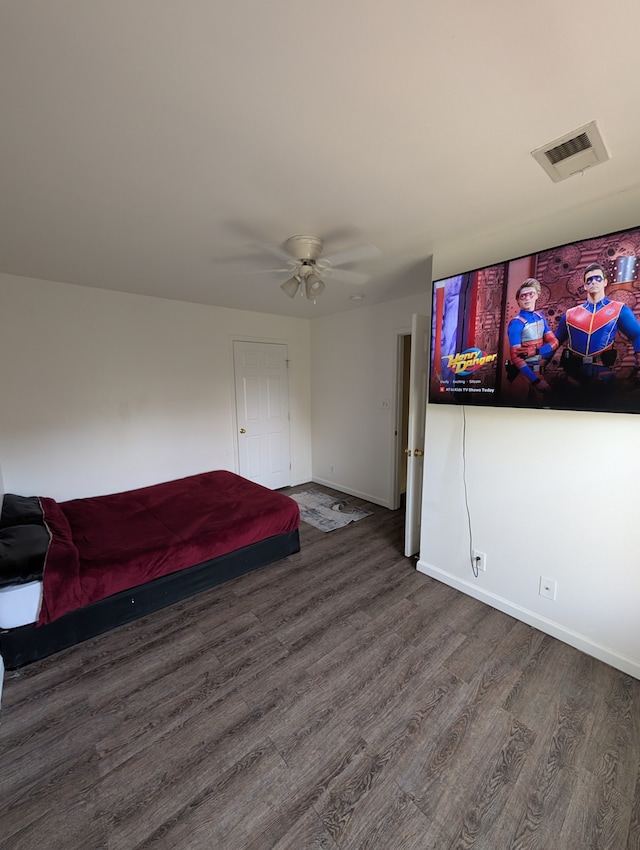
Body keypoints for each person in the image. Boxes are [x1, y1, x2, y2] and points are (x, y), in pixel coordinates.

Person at [554, 262, 640, 403]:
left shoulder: (619, 309)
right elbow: (554, 341)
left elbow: (637, 334)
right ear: (585, 285)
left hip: (602, 376)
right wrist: (535, 371)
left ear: (605, 282)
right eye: (589, 280)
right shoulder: (570, 314)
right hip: (573, 376)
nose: (593, 281)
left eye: (597, 278)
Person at [506, 278, 558, 404]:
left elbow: (554, 342)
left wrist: (536, 351)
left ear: (537, 296)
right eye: (523, 296)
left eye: (531, 294)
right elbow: (516, 357)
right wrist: (536, 381)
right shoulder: (516, 323)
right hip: (523, 376)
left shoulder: (540, 317)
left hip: (539, 373)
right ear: (518, 300)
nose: (527, 298)